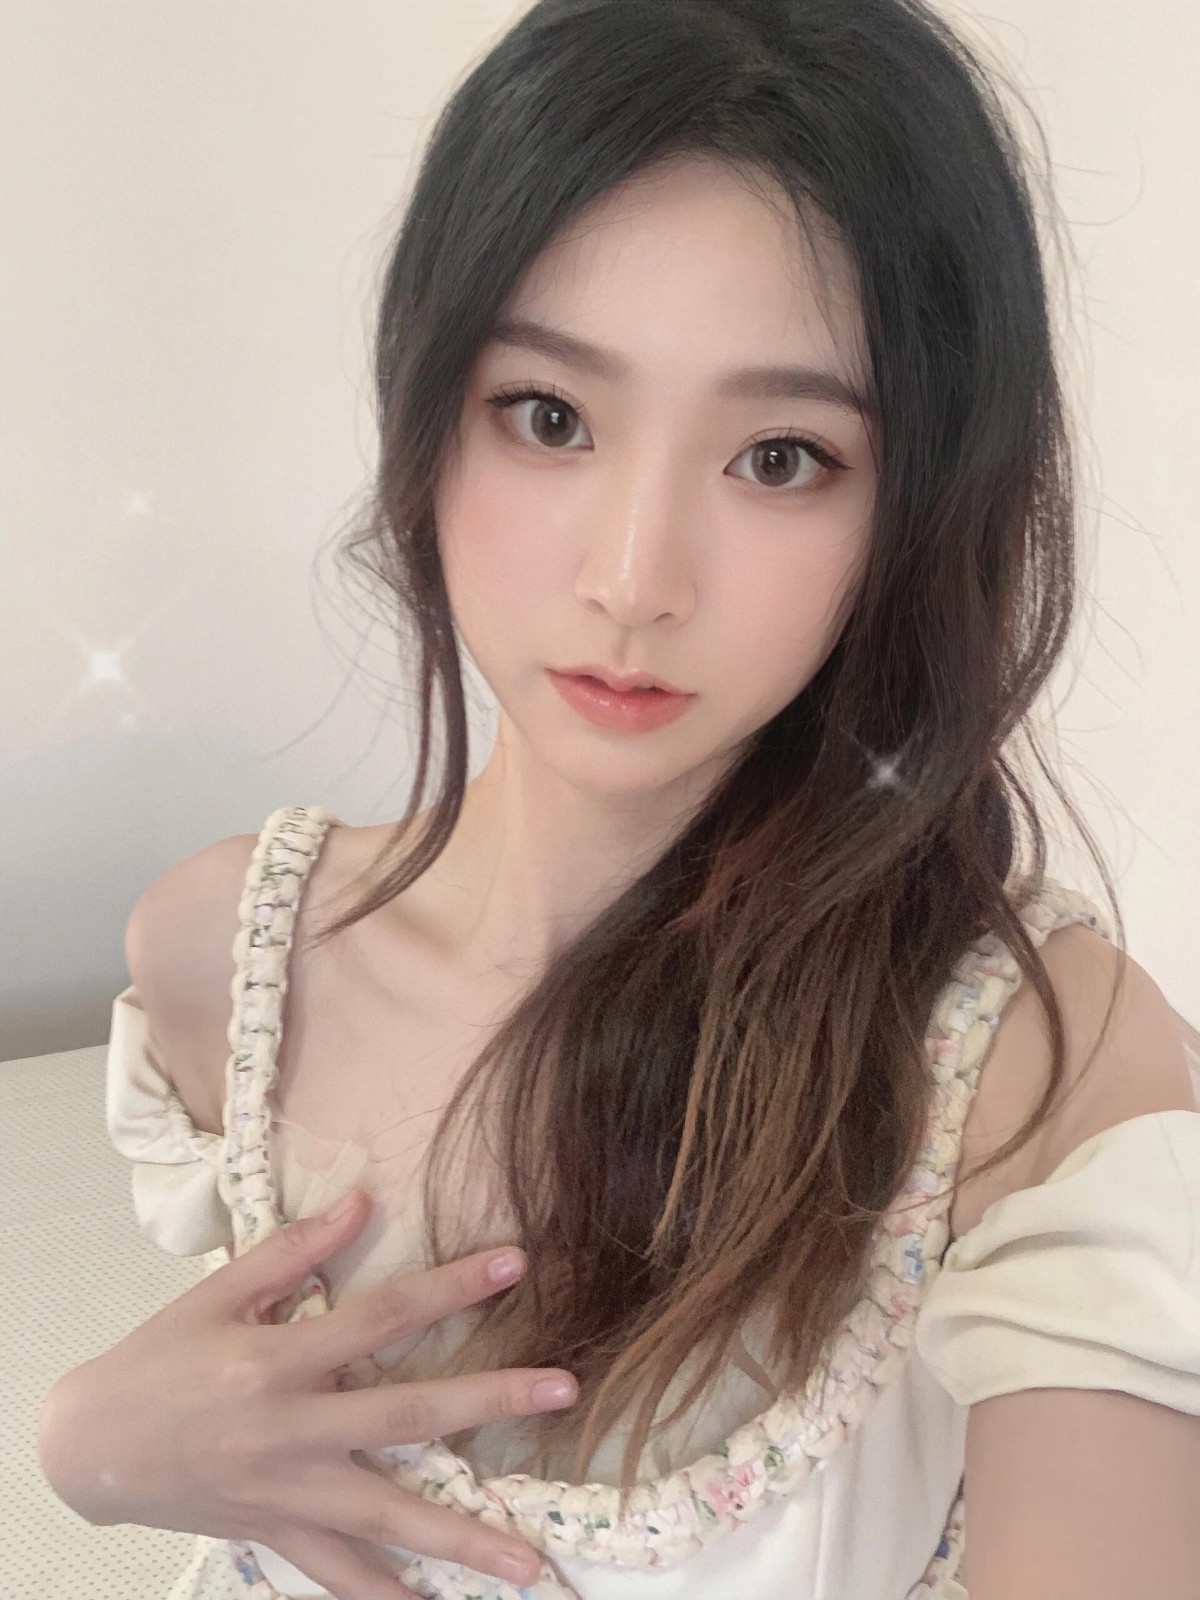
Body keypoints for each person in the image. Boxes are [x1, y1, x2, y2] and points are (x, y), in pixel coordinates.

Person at [38, 1, 1200, 1597]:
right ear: (427, 412)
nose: (636, 578)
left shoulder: (1036, 1065)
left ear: (920, 508)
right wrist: (92, 1450)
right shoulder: (227, 953)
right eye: (551, 417)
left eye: (781, 457)